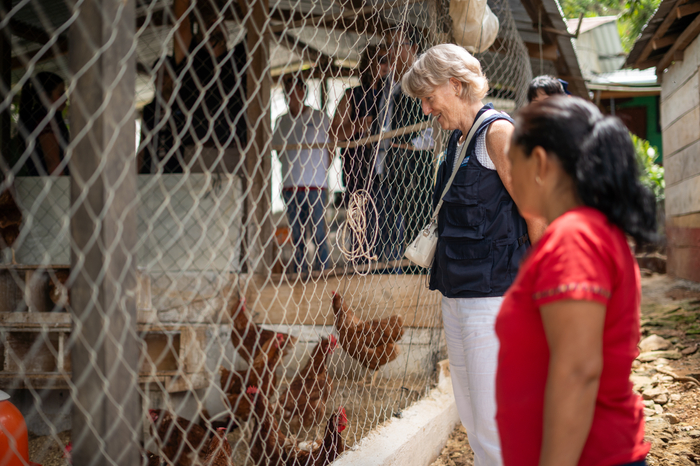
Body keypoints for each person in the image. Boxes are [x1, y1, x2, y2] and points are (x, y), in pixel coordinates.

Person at [401, 43, 546, 466]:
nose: (426, 110)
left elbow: (536, 213)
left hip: (495, 298)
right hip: (458, 294)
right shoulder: (460, 138)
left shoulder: (498, 134)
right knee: (474, 416)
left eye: (429, 98)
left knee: (495, 417)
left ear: (456, 85)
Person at [495, 97, 655, 466]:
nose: (507, 175)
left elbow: (578, 371)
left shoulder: (574, 237)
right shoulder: (587, 230)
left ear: (538, 162)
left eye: (510, 161)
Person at [173, 0, 247, 173]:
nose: (214, 24)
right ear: (199, 32)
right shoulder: (189, 59)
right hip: (199, 150)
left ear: (227, 31)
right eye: (208, 22)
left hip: (235, 149)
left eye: (219, 22)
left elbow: (257, 26)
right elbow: (181, 23)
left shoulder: (238, 58)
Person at [273, 75, 331, 275]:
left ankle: (324, 273)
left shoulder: (320, 117)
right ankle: (300, 273)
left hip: (315, 185)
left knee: (318, 233)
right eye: (286, 90)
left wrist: (322, 169)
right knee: (297, 235)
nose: (290, 95)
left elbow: (331, 148)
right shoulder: (281, 122)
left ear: (302, 92)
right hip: (291, 185)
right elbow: (279, 153)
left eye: (294, 90)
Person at [16, 72, 70, 176]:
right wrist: (62, 187)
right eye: (61, 93)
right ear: (45, 96)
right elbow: (52, 161)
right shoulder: (44, 120)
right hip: (51, 183)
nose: (66, 98)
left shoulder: (50, 117)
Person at [138, 56, 185, 174]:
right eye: (157, 75)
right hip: (150, 170)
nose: (161, 79)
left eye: (165, 74)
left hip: (177, 170)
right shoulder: (149, 109)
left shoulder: (183, 106)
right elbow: (143, 144)